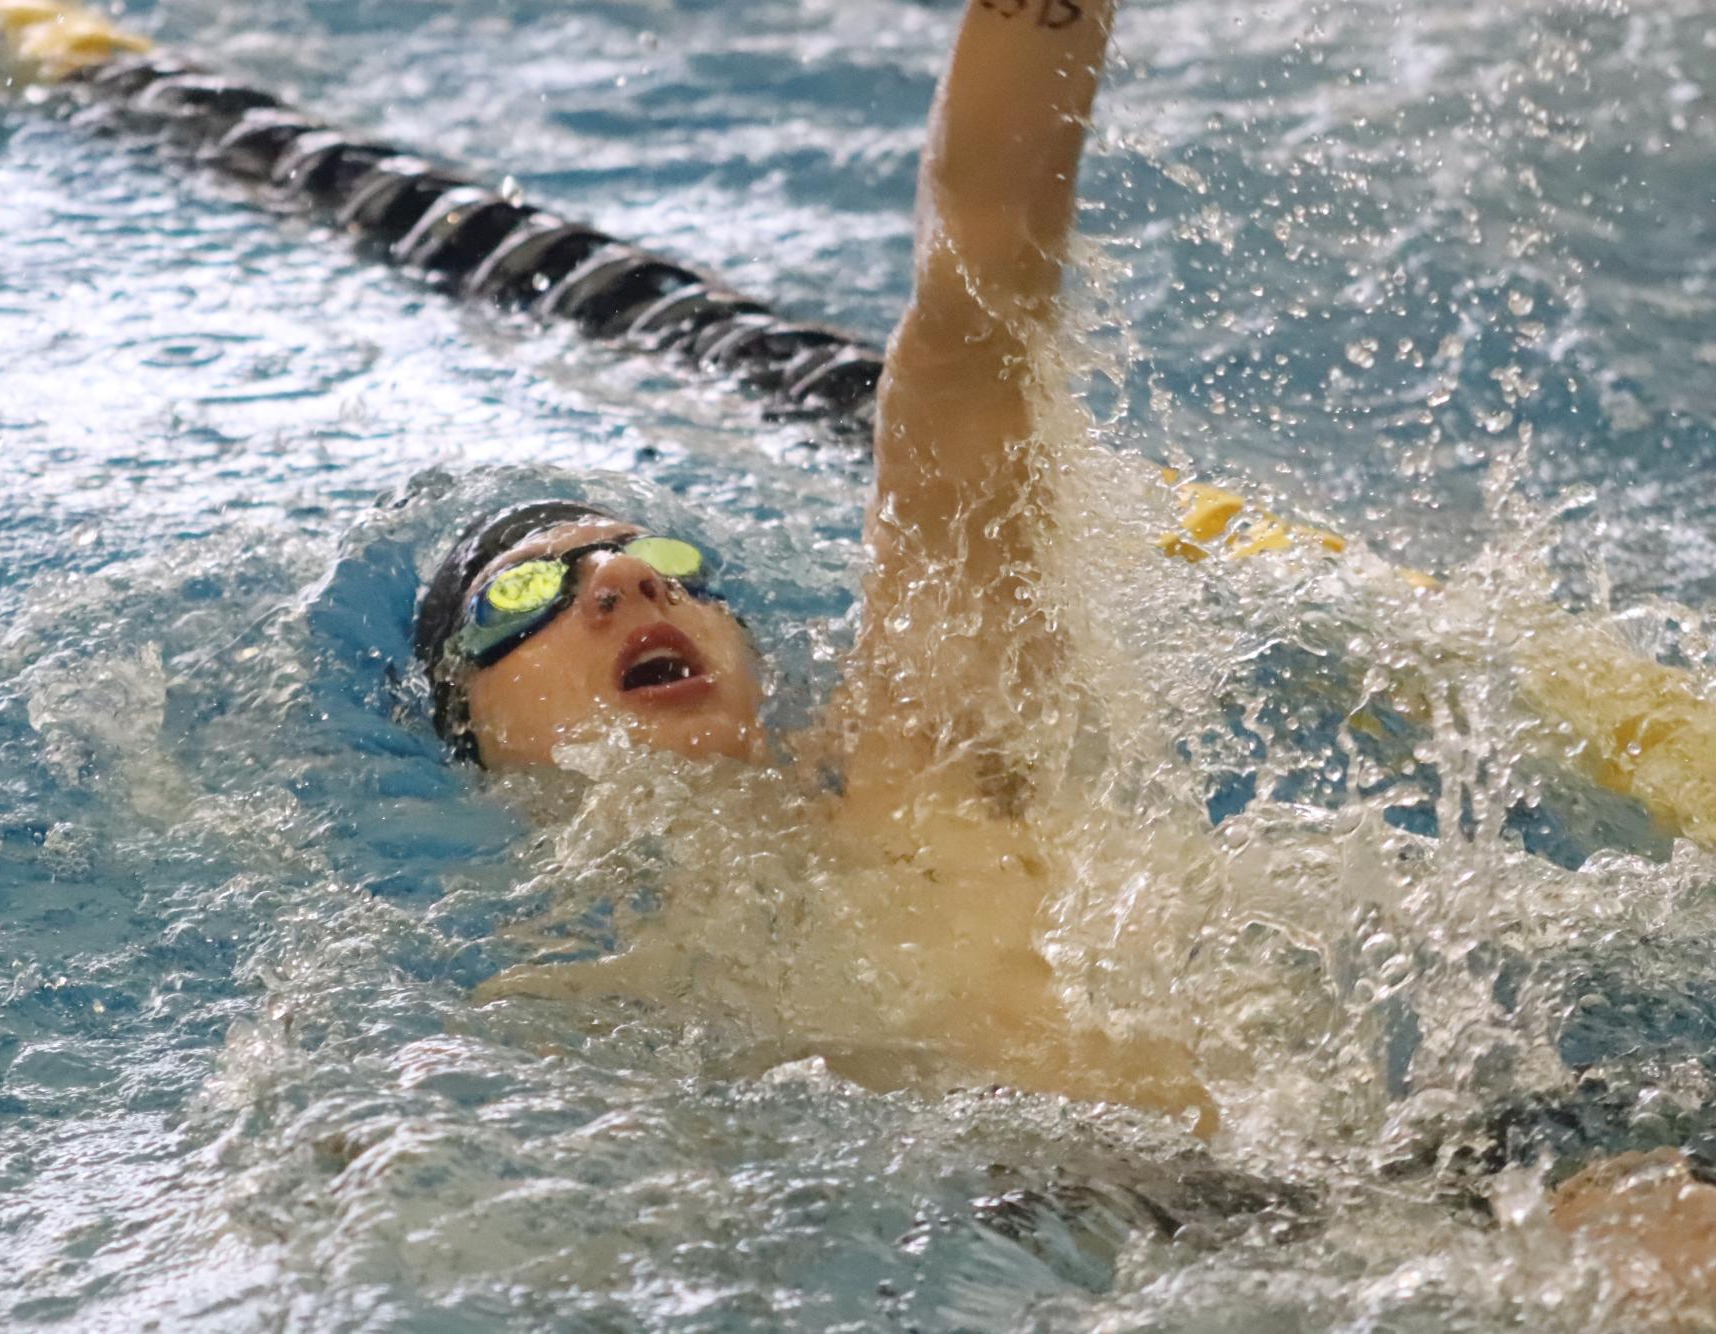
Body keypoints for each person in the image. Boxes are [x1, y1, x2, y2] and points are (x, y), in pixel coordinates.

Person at [407, 0, 1716, 1309]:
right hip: (1134, 1252)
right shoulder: (568, 1015)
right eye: (521, 593)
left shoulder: (922, 746)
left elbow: (975, 301)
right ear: (473, 736)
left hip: (1441, 1167)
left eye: (668, 566)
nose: (626, 577)